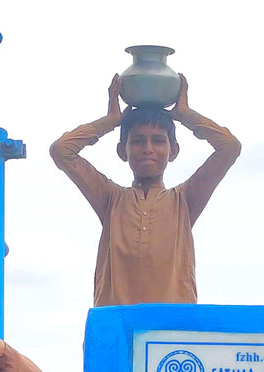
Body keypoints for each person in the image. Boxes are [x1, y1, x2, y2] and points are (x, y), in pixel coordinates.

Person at [50, 73, 241, 308]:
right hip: (116, 327)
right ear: (123, 151)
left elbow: (229, 147)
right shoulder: (111, 199)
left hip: (171, 333)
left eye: (158, 141)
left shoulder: (184, 200)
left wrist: (186, 115)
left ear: (173, 151)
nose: (147, 149)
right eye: (138, 141)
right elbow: (62, 151)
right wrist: (110, 120)